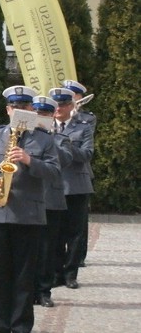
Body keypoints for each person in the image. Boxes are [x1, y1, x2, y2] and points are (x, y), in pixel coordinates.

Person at [0, 86, 60, 333]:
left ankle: (22, 326)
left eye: (26, 107)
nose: (21, 111)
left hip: (28, 214)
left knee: (25, 273)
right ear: (8, 110)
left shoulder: (43, 139)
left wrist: (29, 160)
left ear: (32, 110)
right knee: (0, 273)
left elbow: (55, 173)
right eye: (15, 107)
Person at [50, 86, 94, 289]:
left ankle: (71, 273)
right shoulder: (46, 126)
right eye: (56, 105)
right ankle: (56, 272)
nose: (58, 109)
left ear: (71, 106)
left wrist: (67, 147)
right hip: (53, 185)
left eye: (62, 105)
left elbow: (87, 154)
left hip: (76, 185)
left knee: (75, 233)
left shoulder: (82, 126)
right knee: (55, 232)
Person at [31, 95, 72, 308]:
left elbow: (66, 159)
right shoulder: (24, 137)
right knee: (29, 249)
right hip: (29, 200)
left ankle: (44, 291)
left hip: (52, 201)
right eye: (38, 114)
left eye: (45, 114)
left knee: (48, 250)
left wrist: (49, 138)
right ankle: (27, 290)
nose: (41, 117)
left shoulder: (60, 137)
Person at [63, 79, 96, 267]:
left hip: (78, 173)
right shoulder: (54, 114)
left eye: (72, 96)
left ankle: (77, 258)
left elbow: (86, 146)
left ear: (79, 97)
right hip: (57, 175)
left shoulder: (87, 118)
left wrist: (73, 116)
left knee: (78, 224)